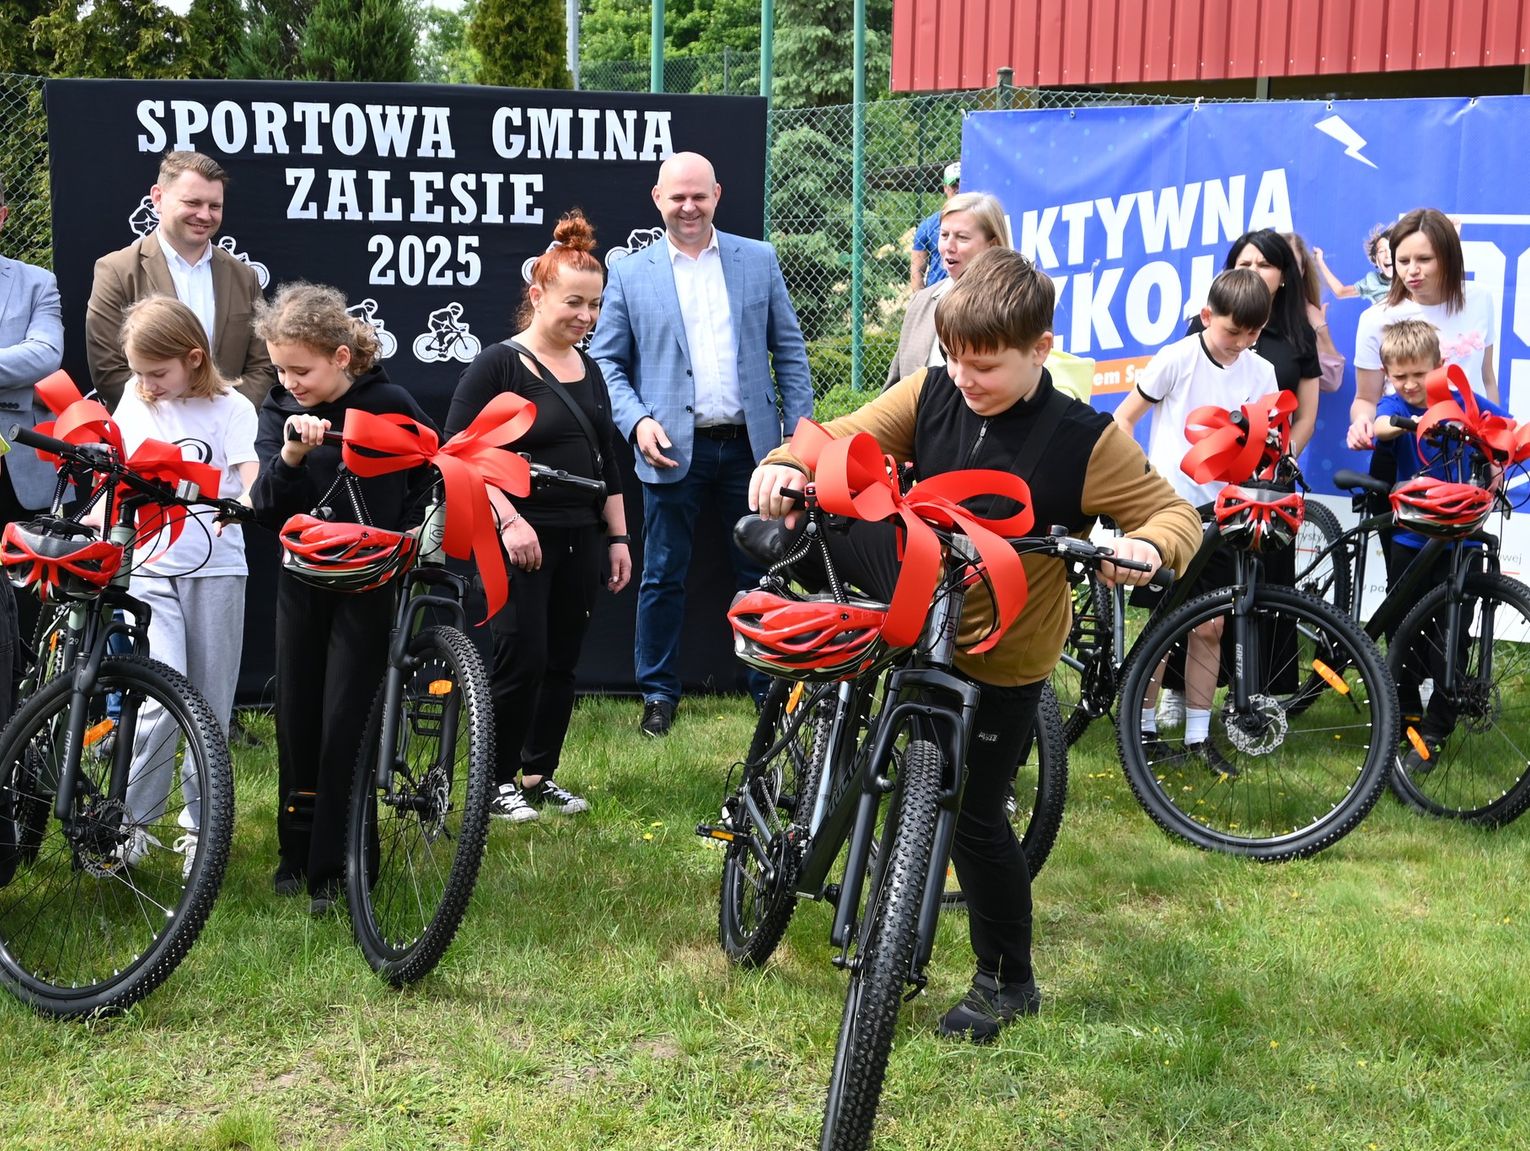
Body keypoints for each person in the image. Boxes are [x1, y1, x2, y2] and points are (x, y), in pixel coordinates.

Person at [750, 247, 1201, 1041]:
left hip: (1006, 655)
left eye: (985, 364)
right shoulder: (931, 390)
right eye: (954, 356)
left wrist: (1148, 546)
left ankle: (1006, 981)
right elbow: (840, 438)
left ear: (1040, 348)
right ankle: (823, 729)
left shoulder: (1086, 439)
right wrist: (786, 463)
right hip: (916, 615)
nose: (964, 376)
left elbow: (1175, 516)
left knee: (977, 818)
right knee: (809, 537)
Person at [589, 151, 813, 737]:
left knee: (762, 571)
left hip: (755, 452)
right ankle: (658, 694)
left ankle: (769, 690)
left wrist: (799, 437)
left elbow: (790, 351)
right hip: (668, 451)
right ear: (657, 199)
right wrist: (637, 422)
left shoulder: (758, 260)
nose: (688, 207)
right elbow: (605, 363)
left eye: (699, 196)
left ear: (717, 194)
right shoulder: (630, 274)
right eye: (677, 197)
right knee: (663, 575)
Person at [249, 282, 433, 915]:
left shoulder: (390, 402)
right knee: (297, 717)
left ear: (341, 357)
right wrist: (292, 456)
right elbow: (268, 508)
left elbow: (429, 472)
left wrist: (411, 532)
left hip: (368, 585)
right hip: (302, 582)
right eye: (280, 369)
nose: (289, 382)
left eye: (301, 370)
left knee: (347, 722)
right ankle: (296, 853)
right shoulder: (279, 409)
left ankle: (342, 864)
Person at [444, 209, 632, 823]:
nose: (585, 316)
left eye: (595, 305)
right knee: (519, 657)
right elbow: (455, 454)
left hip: (582, 532)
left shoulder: (591, 368)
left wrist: (619, 536)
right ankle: (494, 781)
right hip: (517, 536)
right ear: (537, 296)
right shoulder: (499, 365)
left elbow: (606, 459)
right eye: (574, 302)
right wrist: (508, 521)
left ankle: (537, 772)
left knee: (561, 661)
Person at [114, 297, 258, 875]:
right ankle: (131, 825)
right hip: (152, 565)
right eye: (138, 372)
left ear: (193, 358)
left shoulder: (232, 407)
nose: (146, 384)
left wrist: (247, 500)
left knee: (209, 704)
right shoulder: (135, 397)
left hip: (216, 568)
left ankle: (202, 828)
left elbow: (250, 472)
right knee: (159, 699)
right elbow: (121, 466)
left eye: (157, 372)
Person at [1113, 268, 1276, 771]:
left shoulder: (1262, 372)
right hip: (1170, 513)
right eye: (1233, 331)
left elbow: (1268, 442)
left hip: (1225, 516)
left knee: (1211, 627)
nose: (1242, 343)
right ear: (1207, 316)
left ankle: (1198, 738)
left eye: (1253, 333)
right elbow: (1124, 418)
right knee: (1162, 626)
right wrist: (1139, 482)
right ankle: (1142, 730)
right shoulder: (1178, 358)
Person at [1369, 318, 1508, 773]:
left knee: (1452, 634)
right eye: (1399, 376)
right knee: (1402, 627)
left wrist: (1496, 460)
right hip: (1409, 539)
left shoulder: (1461, 400)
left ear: (1440, 366)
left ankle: (1436, 728)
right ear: (1388, 374)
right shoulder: (1394, 404)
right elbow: (1381, 425)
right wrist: (1404, 424)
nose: (1410, 384)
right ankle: (1405, 709)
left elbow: (1501, 427)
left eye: (1419, 374)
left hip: (1460, 540)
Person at [85, 151, 275, 412]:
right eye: (192, 203)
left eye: (214, 206)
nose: (205, 215)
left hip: (227, 430)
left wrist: (223, 415)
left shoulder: (244, 277)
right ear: (158, 198)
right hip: (151, 430)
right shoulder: (117, 272)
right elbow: (109, 370)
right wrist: (180, 417)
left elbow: (263, 366)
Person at [1348, 208, 1500, 450]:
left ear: (1448, 256)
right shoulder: (1375, 318)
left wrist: (1495, 445)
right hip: (1405, 451)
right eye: (1403, 261)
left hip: (1470, 450)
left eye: (1424, 259)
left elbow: (1486, 378)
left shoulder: (1480, 299)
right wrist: (1361, 423)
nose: (1412, 270)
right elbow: (1366, 398)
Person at [0, 169, 64, 723]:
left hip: (21, 467)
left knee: (25, 607)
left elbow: (45, 353)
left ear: (2, 217)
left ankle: (23, 726)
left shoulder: (36, 282)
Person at [885, 190, 1009, 388]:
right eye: (944, 235)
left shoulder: (1011, 305)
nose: (948, 246)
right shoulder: (921, 302)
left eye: (962, 237)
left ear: (992, 244)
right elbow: (895, 384)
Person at [1284, 231, 1346, 396]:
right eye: (1281, 264)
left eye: (1293, 265)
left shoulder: (1309, 315)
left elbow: (1331, 381)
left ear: (1303, 270)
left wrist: (1320, 330)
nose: (1287, 273)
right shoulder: (1250, 310)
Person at [909, 160, 961, 291]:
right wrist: (921, 299)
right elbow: (916, 271)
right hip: (938, 294)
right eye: (954, 184)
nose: (959, 188)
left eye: (963, 183)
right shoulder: (928, 226)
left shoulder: (982, 222)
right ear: (945, 188)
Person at [1313, 223, 1393, 304]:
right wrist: (1320, 261)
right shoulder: (1372, 282)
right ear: (1375, 259)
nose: (1388, 255)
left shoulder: (1401, 277)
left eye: (1392, 249)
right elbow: (1340, 291)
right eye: (1381, 251)